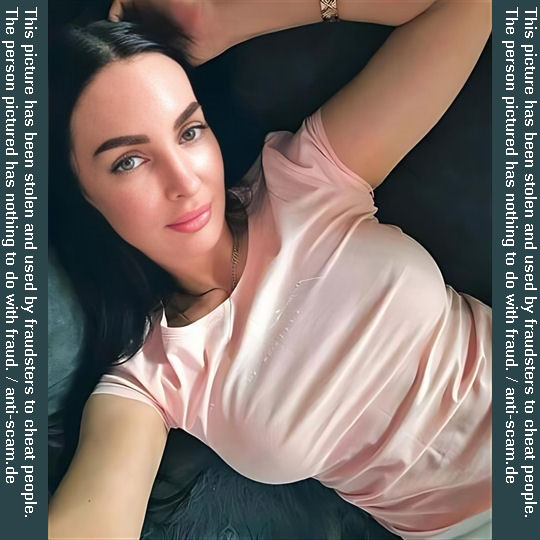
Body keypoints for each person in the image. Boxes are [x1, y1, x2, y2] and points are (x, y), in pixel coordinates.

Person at [48, 1, 493, 539]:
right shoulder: (151, 377)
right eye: (129, 161)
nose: (185, 181)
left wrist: (222, 19)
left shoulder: (303, 180)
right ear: (82, 196)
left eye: (189, 132)